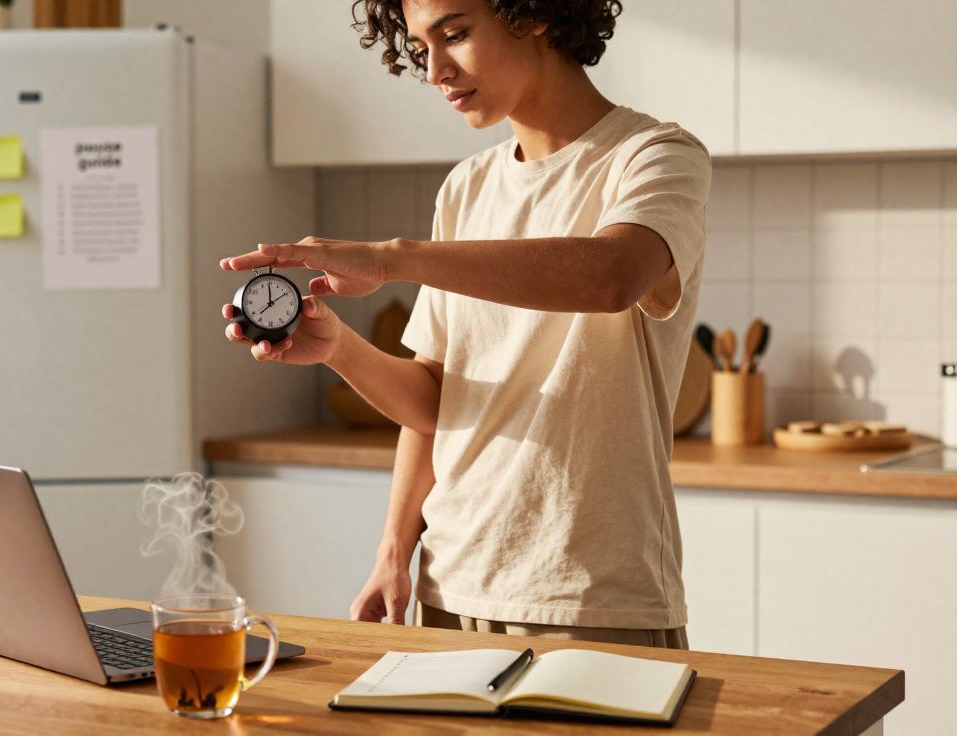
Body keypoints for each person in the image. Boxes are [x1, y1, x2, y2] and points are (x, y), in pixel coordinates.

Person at [219, 0, 709, 649]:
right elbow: (434, 402)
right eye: (422, 47)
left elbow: (611, 277)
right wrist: (339, 349)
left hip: (592, 596)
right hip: (450, 586)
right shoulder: (466, 188)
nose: (436, 70)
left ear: (532, 12)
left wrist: (391, 259)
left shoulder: (653, 156)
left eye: (454, 34)